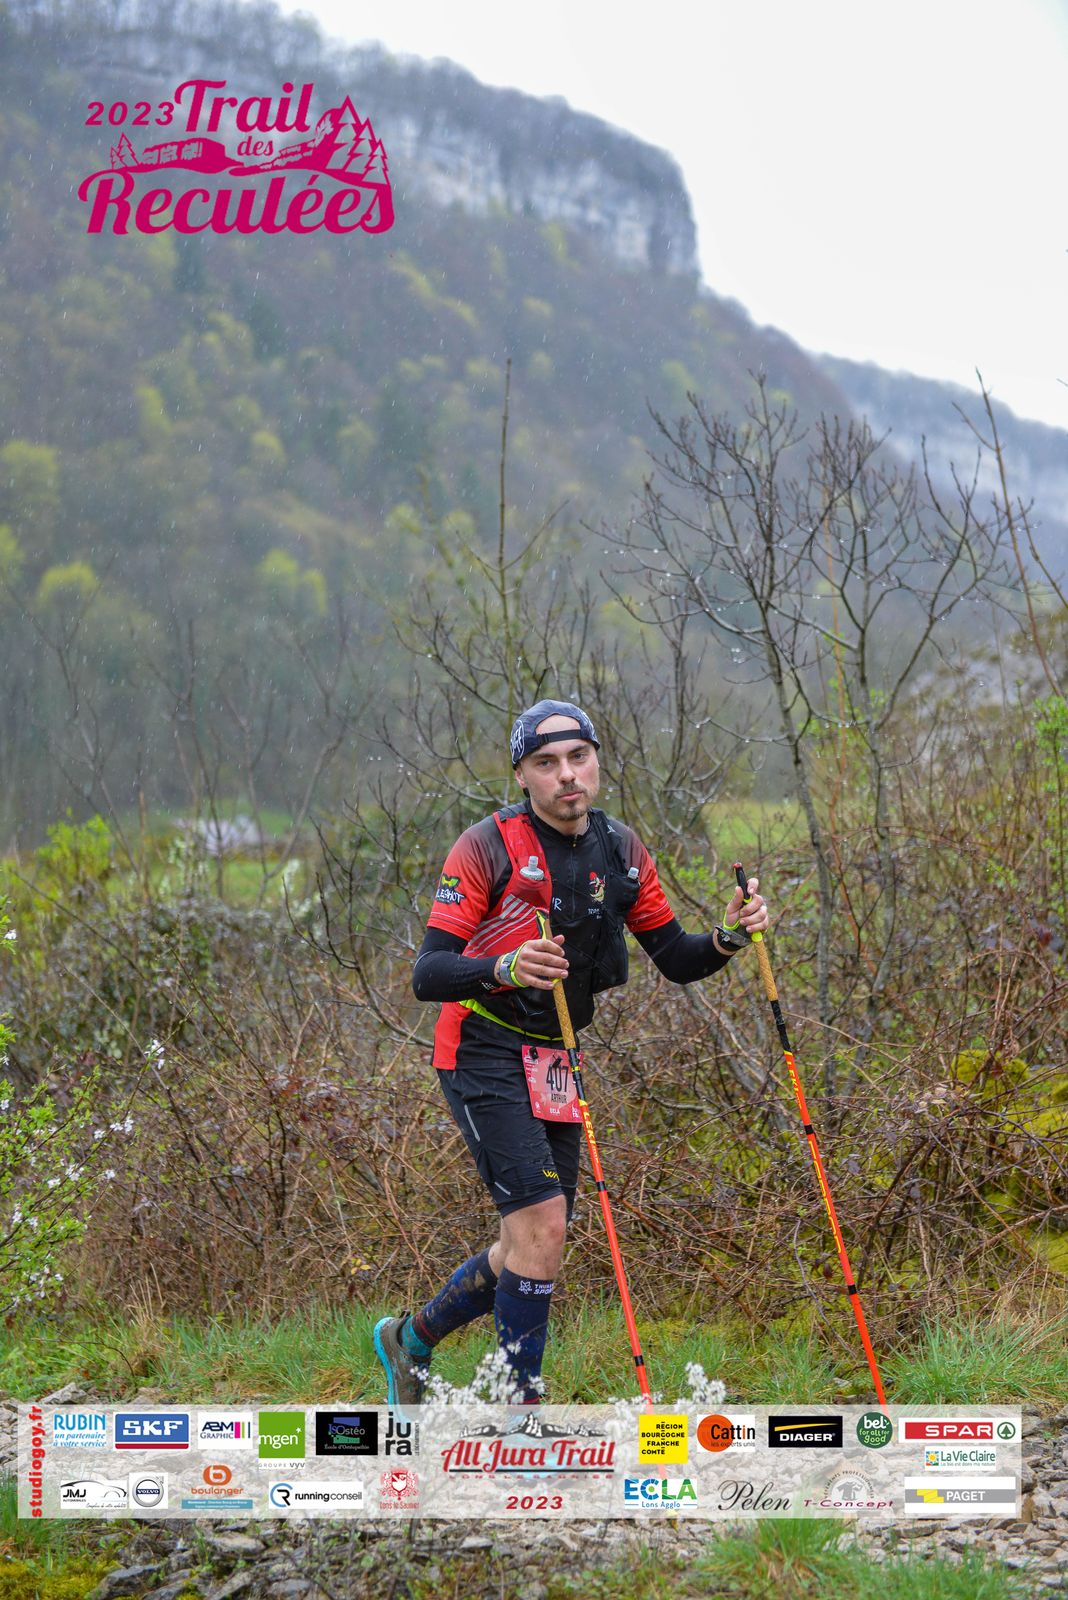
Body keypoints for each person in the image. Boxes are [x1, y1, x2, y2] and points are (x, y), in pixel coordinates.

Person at [373, 699, 768, 1406]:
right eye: (546, 763)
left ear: (596, 763)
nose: (566, 775)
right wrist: (504, 966)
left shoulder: (621, 850)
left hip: (556, 1054)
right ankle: (519, 1410)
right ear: (522, 775)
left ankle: (411, 1339)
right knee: (543, 1227)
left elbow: (676, 958)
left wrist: (730, 935)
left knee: (532, 1240)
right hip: (480, 1045)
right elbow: (427, 973)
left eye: (578, 758)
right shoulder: (485, 846)